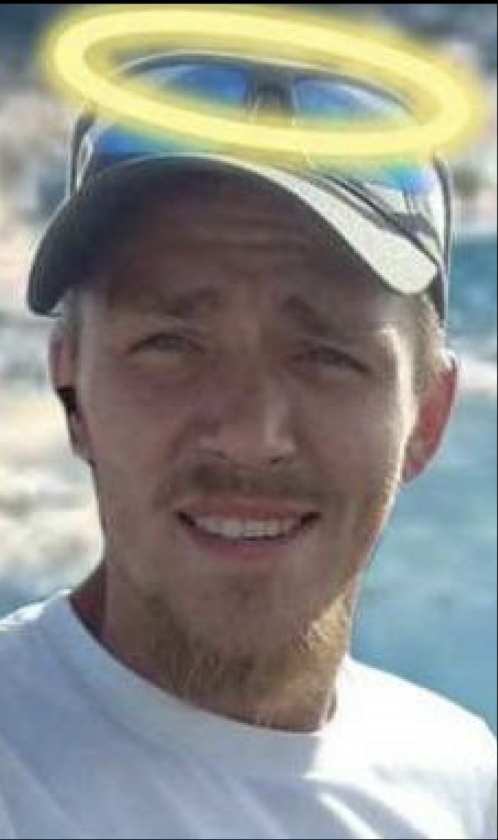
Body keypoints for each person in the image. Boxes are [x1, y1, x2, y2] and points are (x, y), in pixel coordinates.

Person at [0, 55, 496, 840]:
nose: (250, 435)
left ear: (425, 418)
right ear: (73, 390)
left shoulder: (462, 780)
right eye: (170, 344)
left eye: (327, 355)